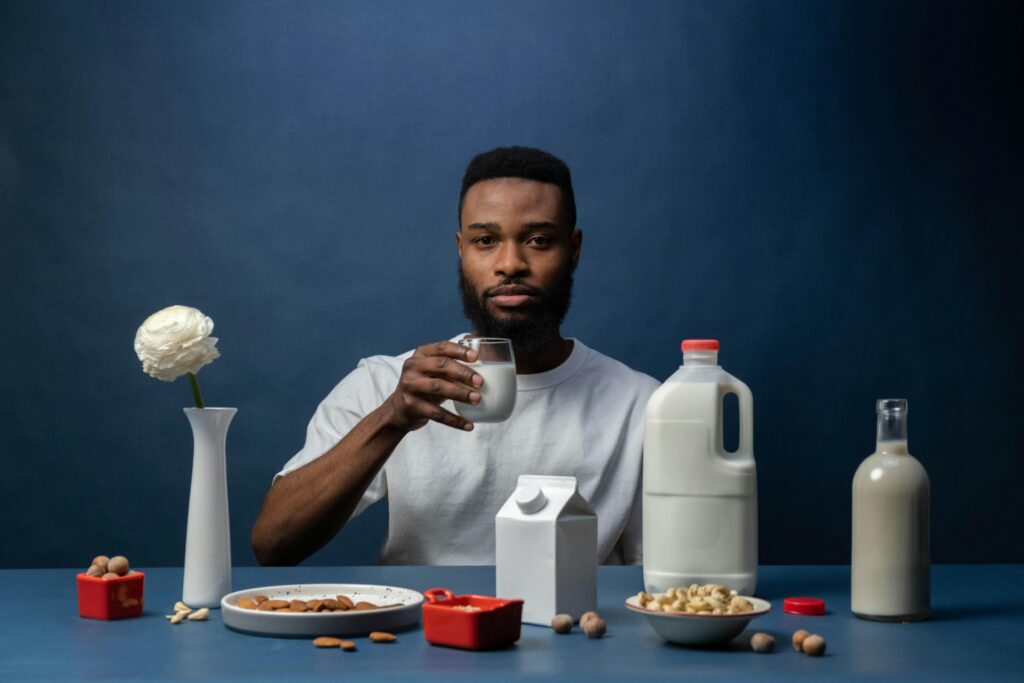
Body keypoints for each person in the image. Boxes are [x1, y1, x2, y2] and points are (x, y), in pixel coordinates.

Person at [251, 146, 658, 566]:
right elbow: (274, 544)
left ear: (573, 249)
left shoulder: (642, 404)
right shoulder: (387, 383)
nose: (510, 263)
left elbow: (667, 579)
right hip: (421, 629)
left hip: (570, 627)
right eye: (486, 240)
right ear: (461, 249)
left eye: (538, 240)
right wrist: (391, 417)